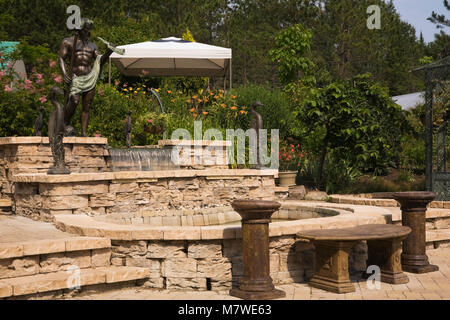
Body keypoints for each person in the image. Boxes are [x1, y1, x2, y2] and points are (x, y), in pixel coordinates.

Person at [58, 18, 115, 137]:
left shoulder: (92, 46)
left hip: (89, 78)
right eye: (85, 29)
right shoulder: (68, 42)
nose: (87, 32)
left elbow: (100, 61)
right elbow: (61, 58)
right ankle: (64, 123)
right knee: (74, 101)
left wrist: (108, 52)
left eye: (89, 29)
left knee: (86, 106)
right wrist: (64, 74)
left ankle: (84, 132)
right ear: (80, 29)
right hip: (75, 78)